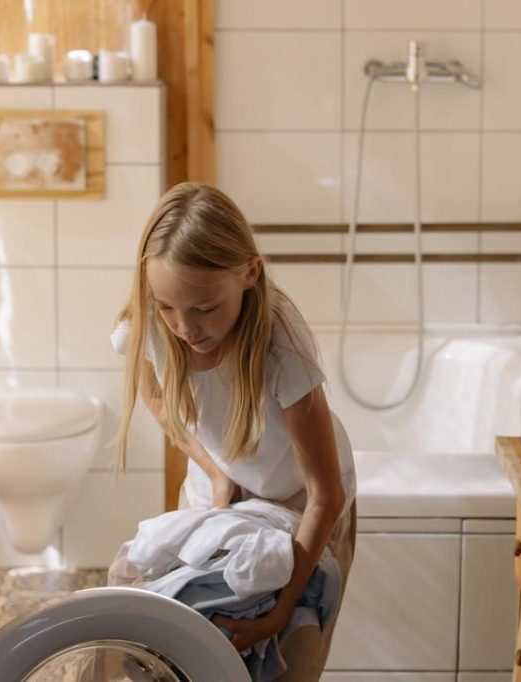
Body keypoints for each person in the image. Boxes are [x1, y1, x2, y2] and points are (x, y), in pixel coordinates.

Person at [111, 182, 357, 680]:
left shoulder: (281, 345)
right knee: (186, 662)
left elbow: (325, 495)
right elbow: (159, 400)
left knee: (290, 666)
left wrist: (281, 611)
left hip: (303, 509)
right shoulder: (152, 323)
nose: (185, 327)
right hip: (217, 497)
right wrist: (215, 473)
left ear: (249, 273)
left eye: (205, 308)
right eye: (166, 306)